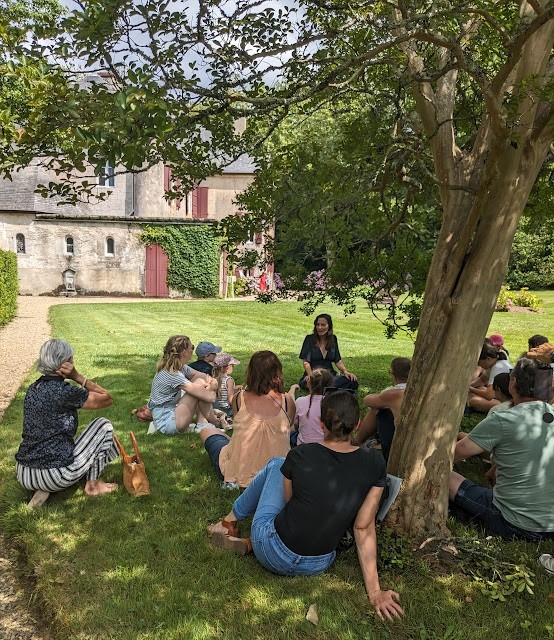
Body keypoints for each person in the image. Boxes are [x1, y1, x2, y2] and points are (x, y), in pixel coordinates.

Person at [207, 390, 404, 621]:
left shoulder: (300, 454)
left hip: (272, 550)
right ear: (358, 424)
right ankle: (249, 544)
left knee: (276, 463)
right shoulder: (375, 462)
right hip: (319, 563)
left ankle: (230, 521)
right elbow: (363, 527)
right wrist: (375, 593)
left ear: (321, 424)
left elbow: (290, 502)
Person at [450, 358, 554, 540]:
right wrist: (495, 467)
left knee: (445, 476)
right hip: (550, 526)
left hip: (516, 523)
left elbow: (451, 456)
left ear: (512, 383)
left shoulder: (503, 419)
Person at [15, 339, 119, 507]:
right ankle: (93, 487)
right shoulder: (63, 392)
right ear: (66, 363)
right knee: (103, 425)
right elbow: (107, 398)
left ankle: (42, 486)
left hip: (24, 473)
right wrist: (77, 376)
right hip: (55, 475)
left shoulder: (34, 388)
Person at [201, 351, 296, 488]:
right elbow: (290, 425)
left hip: (239, 472)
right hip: (277, 474)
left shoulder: (239, 398)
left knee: (206, 431)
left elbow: (238, 425)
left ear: (251, 372)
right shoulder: (287, 401)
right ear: (278, 373)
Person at [147, 335, 222, 434]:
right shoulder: (172, 373)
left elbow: (206, 377)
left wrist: (210, 383)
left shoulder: (180, 367)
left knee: (199, 383)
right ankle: (212, 423)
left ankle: (205, 422)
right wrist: (211, 386)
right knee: (198, 386)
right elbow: (210, 397)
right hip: (167, 423)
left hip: (171, 414)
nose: (193, 350)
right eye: (192, 347)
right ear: (184, 352)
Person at [353, 357, 411, 462]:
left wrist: (382, 398)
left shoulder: (394, 393)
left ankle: (357, 441)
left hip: (399, 448)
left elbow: (367, 400)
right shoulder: (422, 391)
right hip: (416, 439)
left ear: (395, 376)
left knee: (376, 410)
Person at [298, 314, 358, 391]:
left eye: (323, 325)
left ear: (329, 326)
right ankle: (329, 388)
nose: (319, 327)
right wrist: (310, 375)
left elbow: (337, 360)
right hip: (314, 375)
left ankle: (328, 388)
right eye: (317, 324)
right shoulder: (309, 339)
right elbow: (306, 362)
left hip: (329, 375)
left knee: (352, 381)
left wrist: (345, 372)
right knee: (317, 383)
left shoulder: (333, 339)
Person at [292, 368, 334, 445]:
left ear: (308, 384)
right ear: (330, 385)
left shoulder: (300, 401)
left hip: (303, 446)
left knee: (292, 434)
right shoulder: (332, 403)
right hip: (325, 447)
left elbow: (295, 424)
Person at [467, 344, 511, 413]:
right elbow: (482, 380)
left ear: (488, 359)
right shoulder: (493, 363)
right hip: (501, 395)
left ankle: (501, 406)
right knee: (480, 388)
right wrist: (468, 386)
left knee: (474, 401)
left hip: (509, 401)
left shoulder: (498, 367)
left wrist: (470, 389)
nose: (479, 365)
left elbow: (489, 395)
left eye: (479, 362)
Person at [212, 352, 240, 419]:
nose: (233, 367)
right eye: (232, 365)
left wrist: (234, 389)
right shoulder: (229, 380)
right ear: (227, 368)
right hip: (227, 411)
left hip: (215, 409)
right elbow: (230, 401)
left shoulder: (214, 378)